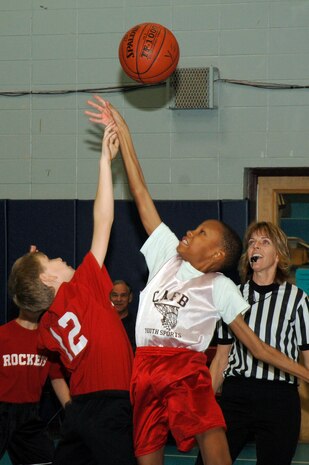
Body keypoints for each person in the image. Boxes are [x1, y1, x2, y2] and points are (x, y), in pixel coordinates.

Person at [85, 96, 309, 465]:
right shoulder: (165, 254)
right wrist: (124, 130)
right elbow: (140, 191)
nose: (190, 231)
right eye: (195, 227)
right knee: (145, 449)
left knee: (211, 433)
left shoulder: (221, 287)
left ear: (218, 256)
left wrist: (305, 373)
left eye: (203, 232)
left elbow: (259, 349)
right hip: (143, 366)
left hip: (184, 367)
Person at [8, 118, 136, 465]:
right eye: (52, 259)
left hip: (79, 408)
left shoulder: (47, 326)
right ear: (49, 281)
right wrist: (104, 164)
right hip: (112, 403)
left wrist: (33, 265)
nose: (61, 257)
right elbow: (104, 219)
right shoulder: (84, 285)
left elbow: (34, 299)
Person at [195, 221, 309, 465]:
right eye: (251, 242)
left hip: (279, 396)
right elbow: (221, 358)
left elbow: (308, 358)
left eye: (264, 242)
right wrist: (203, 405)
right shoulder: (232, 294)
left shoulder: (297, 299)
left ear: (278, 253)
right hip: (237, 393)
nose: (255, 246)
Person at [0, 297, 70, 465]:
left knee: (47, 460)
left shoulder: (47, 341)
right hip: (1, 410)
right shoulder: (2, 335)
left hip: (30, 416)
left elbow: (57, 378)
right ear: (18, 298)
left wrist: (73, 410)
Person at [110, 280, 137, 351]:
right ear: (109, 297)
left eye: (123, 295)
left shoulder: (137, 326)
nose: (118, 299)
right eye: (115, 295)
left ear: (130, 298)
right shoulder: (100, 324)